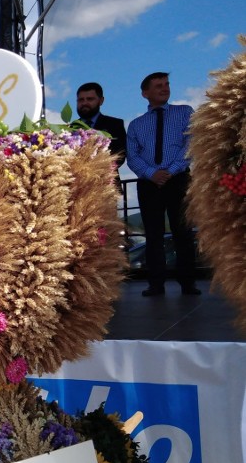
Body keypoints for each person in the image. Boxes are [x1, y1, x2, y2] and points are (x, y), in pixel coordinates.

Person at [126, 72, 199, 297]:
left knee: (183, 232)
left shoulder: (185, 112)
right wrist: (151, 173)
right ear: (145, 93)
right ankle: (156, 284)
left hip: (178, 180)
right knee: (153, 235)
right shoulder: (137, 125)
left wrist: (170, 171)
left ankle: (188, 283)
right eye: (158, 85)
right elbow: (132, 155)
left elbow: (191, 143)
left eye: (167, 84)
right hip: (149, 184)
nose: (164, 88)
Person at [76, 82, 127, 173]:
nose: (84, 103)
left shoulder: (114, 124)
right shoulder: (69, 129)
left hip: (107, 181)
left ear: (101, 101)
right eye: (81, 100)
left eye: (90, 99)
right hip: (77, 183)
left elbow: (120, 156)